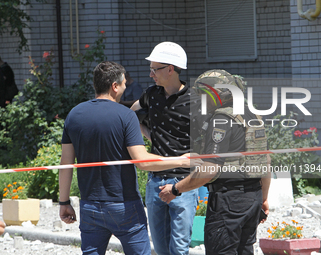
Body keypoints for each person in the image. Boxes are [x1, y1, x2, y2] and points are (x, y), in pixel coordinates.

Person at [58, 61, 202, 255]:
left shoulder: (74, 115)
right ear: (114, 86)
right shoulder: (126, 116)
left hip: (90, 205)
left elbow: (65, 164)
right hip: (124, 206)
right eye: (124, 83)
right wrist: (182, 161)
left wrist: (64, 203)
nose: (126, 88)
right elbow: (142, 161)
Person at [159, 70, 271, 255]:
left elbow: (210, 170)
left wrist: (176, 189)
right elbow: (265, 160)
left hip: (228, 202)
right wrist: (263, 198)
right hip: (252, 198)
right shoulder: (251, 115)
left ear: (215, 94)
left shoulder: (221, 119)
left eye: (204, 95)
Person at [131, 41, 199, 255]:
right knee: (160, 249)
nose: (151, 74)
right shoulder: (152, 95)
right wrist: (148, 134)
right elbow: (129, 115)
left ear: (170, 69)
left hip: (184, 183)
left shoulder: (196, 99)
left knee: (179, 249)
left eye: (155, 69)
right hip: (155, 180)